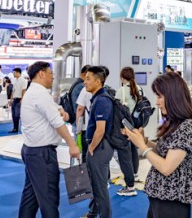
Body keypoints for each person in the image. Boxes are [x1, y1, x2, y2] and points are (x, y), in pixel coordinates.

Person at [124, 73, 192, 218]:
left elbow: (166, 167)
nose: (157, 102)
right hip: (159, 193)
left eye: (160, 96)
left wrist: (143, 147)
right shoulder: (173, 121)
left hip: (172, 197)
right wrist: (144, 141)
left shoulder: (187, 126)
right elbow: (164, 150)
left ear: (173, 96)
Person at [18, 61, 79, 218]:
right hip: (42, 154)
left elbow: (54, 111)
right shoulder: (40, 93)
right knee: (49, 199)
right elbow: (57, 122)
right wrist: (72, 144)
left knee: (31, 197)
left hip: (32, 151)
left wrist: (61, 110)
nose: (53, 77)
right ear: (41, 73)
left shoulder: (35, 92)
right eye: (50, 73)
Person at [83, 66, 114, 218]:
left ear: (97, 81)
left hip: (100, 147)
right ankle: (93, 212)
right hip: (99, 147)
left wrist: (91, 148)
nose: (85, 82)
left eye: (88, 79)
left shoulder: (102, 100)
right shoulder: (98, 98)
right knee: (95, 184)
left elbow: (100, 130)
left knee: (100, 187)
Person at [115, 67, 143, 197]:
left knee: (125, 154)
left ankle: (130, 184)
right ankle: (135, 174)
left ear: (122, 78)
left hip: (125, 125)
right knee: (133, 149)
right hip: (136, 124)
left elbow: (117, 110)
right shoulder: (139, 89)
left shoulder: (121, 90)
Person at [9, 67, 27, 133]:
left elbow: (23, 90)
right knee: (13, 115)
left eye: (14, 73)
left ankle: (19, 128)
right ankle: (15, 128)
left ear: (18, 73)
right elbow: (13, 91)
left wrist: (22, 99)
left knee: (17, 115)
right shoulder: (15, 80)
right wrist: (11, 99)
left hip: (19, 99)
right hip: (14, 99)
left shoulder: (23, 80)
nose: (13, 74)